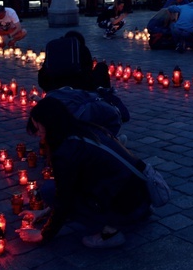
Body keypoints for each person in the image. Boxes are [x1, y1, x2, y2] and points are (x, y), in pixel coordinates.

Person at [16, 97, 150, 248]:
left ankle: (110, 232)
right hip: (139, 197)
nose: (39, 135)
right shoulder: (84, 130)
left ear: (50, 125)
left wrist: (43, 235)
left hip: (126, 207)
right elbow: (76, 182)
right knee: (53, 190)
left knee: (49, 191)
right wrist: (45, 212)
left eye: (39, 129)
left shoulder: (66, 151)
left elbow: (64, 196)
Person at [38, 31, 110, 93]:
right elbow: (88, 71)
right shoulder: (82, 49)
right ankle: (106, 96)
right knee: (102, 66)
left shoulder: (55, 49)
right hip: (80, 87)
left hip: (53, 86)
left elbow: (43, 74)